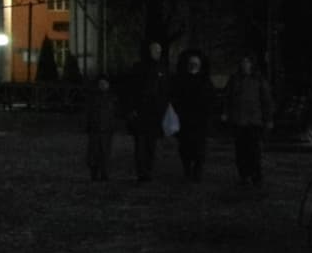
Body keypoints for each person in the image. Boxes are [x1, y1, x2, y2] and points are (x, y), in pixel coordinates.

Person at [118, 43, 169, 183]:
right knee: (141, 144)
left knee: (151, 145)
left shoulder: (162, 69)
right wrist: (131, 109)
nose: (158, 53)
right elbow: (129, 90)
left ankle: (148, 171)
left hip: (154, 114)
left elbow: (165, 92)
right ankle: (142, 172)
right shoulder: (138, 68)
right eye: (155, 50)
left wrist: (162, 109)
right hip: (140, 113)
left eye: (159, 50)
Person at [224, 55, 274, 190]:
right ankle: (244, 175)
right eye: (243, 62)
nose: (245, 65)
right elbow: (228, 97)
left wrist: (268, 119)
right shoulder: (235, 79)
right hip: (239, 121)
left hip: (254, 121)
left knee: (254, 151)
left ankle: (256, 176)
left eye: (247, 62)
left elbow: (266, 100)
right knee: (240, 151)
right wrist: (227, 113)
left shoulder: (258, 79)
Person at [168, 50, 216, 183]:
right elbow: (175, 98)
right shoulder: (180, 80)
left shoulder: (205, 81)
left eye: (196, 63)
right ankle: (187, 169)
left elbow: (211, 100)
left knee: (200, 148)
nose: (193, 66)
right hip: (184, 120)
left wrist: (207, 114)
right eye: (191, 63)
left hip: (200, 121)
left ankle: (197, 171)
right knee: (185, 148)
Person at [82, 76, 118, 181]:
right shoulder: (93, 98)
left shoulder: (111, 98)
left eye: (104, 84)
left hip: (106, 129)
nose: (103, 86)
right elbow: (88, 113)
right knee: (94, 152)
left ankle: (104, 173)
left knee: (105, 152)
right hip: (96, 128)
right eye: (101, 84)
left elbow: (113, 114)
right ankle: (95, 173)